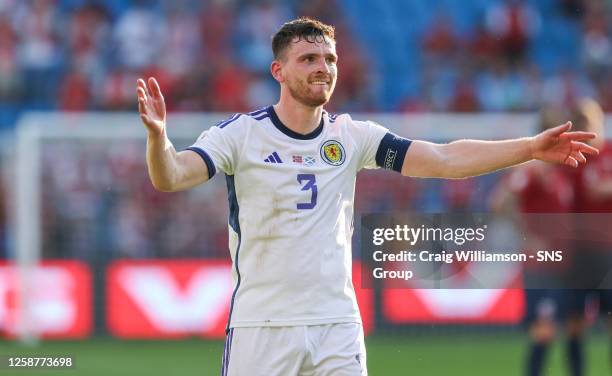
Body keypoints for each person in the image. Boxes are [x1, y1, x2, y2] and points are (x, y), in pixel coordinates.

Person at [136, 17, 599, 376]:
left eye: (330, 59)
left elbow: (442, 159)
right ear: (278, 70)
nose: (323, 68)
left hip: (337, 323)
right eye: (309, 59)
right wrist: (159, 139)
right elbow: (171, 176)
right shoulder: (239, 135)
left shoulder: (352, 136)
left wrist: (530, 148)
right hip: (263, 326)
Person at [489, 105, 575, 376]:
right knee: (544, 330)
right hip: (541, 265)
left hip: (564, 264)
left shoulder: (560, 170)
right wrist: (528, 237)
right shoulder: (532, 169)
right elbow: (499, 202)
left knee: (566, 328)